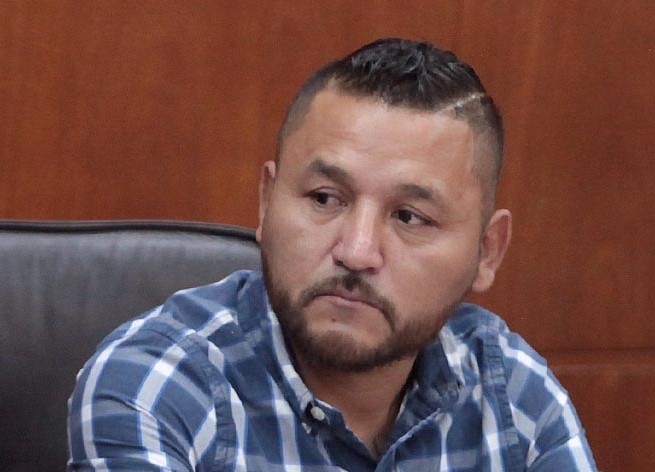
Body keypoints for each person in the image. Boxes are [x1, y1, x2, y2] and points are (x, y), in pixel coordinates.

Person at [68, 38, 597, 471]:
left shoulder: (512, 395)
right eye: (325, 199)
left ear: (487, 252)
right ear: (266, 202)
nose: (357, 252)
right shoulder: (161, 385)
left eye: (409, 217)